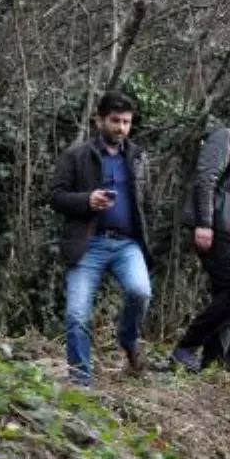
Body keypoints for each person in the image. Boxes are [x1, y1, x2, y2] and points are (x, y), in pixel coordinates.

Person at [49, 91, 154, 386]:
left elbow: (146, 203)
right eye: (115, 121)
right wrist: (87, 200)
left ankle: (127, 338)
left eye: (126, 122)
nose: (121, 128)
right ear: (99, 120)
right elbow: (55, 196)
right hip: (87, 244)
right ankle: (81, 382)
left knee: (141, 292)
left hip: (127, 244)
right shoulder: (76, 155)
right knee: (77, 315)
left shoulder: (138, 157)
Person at [172, 116, 230, 371]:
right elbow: (206, 179)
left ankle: (212, 360)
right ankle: (187, 346)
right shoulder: (226, 137)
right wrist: (205, 223)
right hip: (216, 229)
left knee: (228, 295)